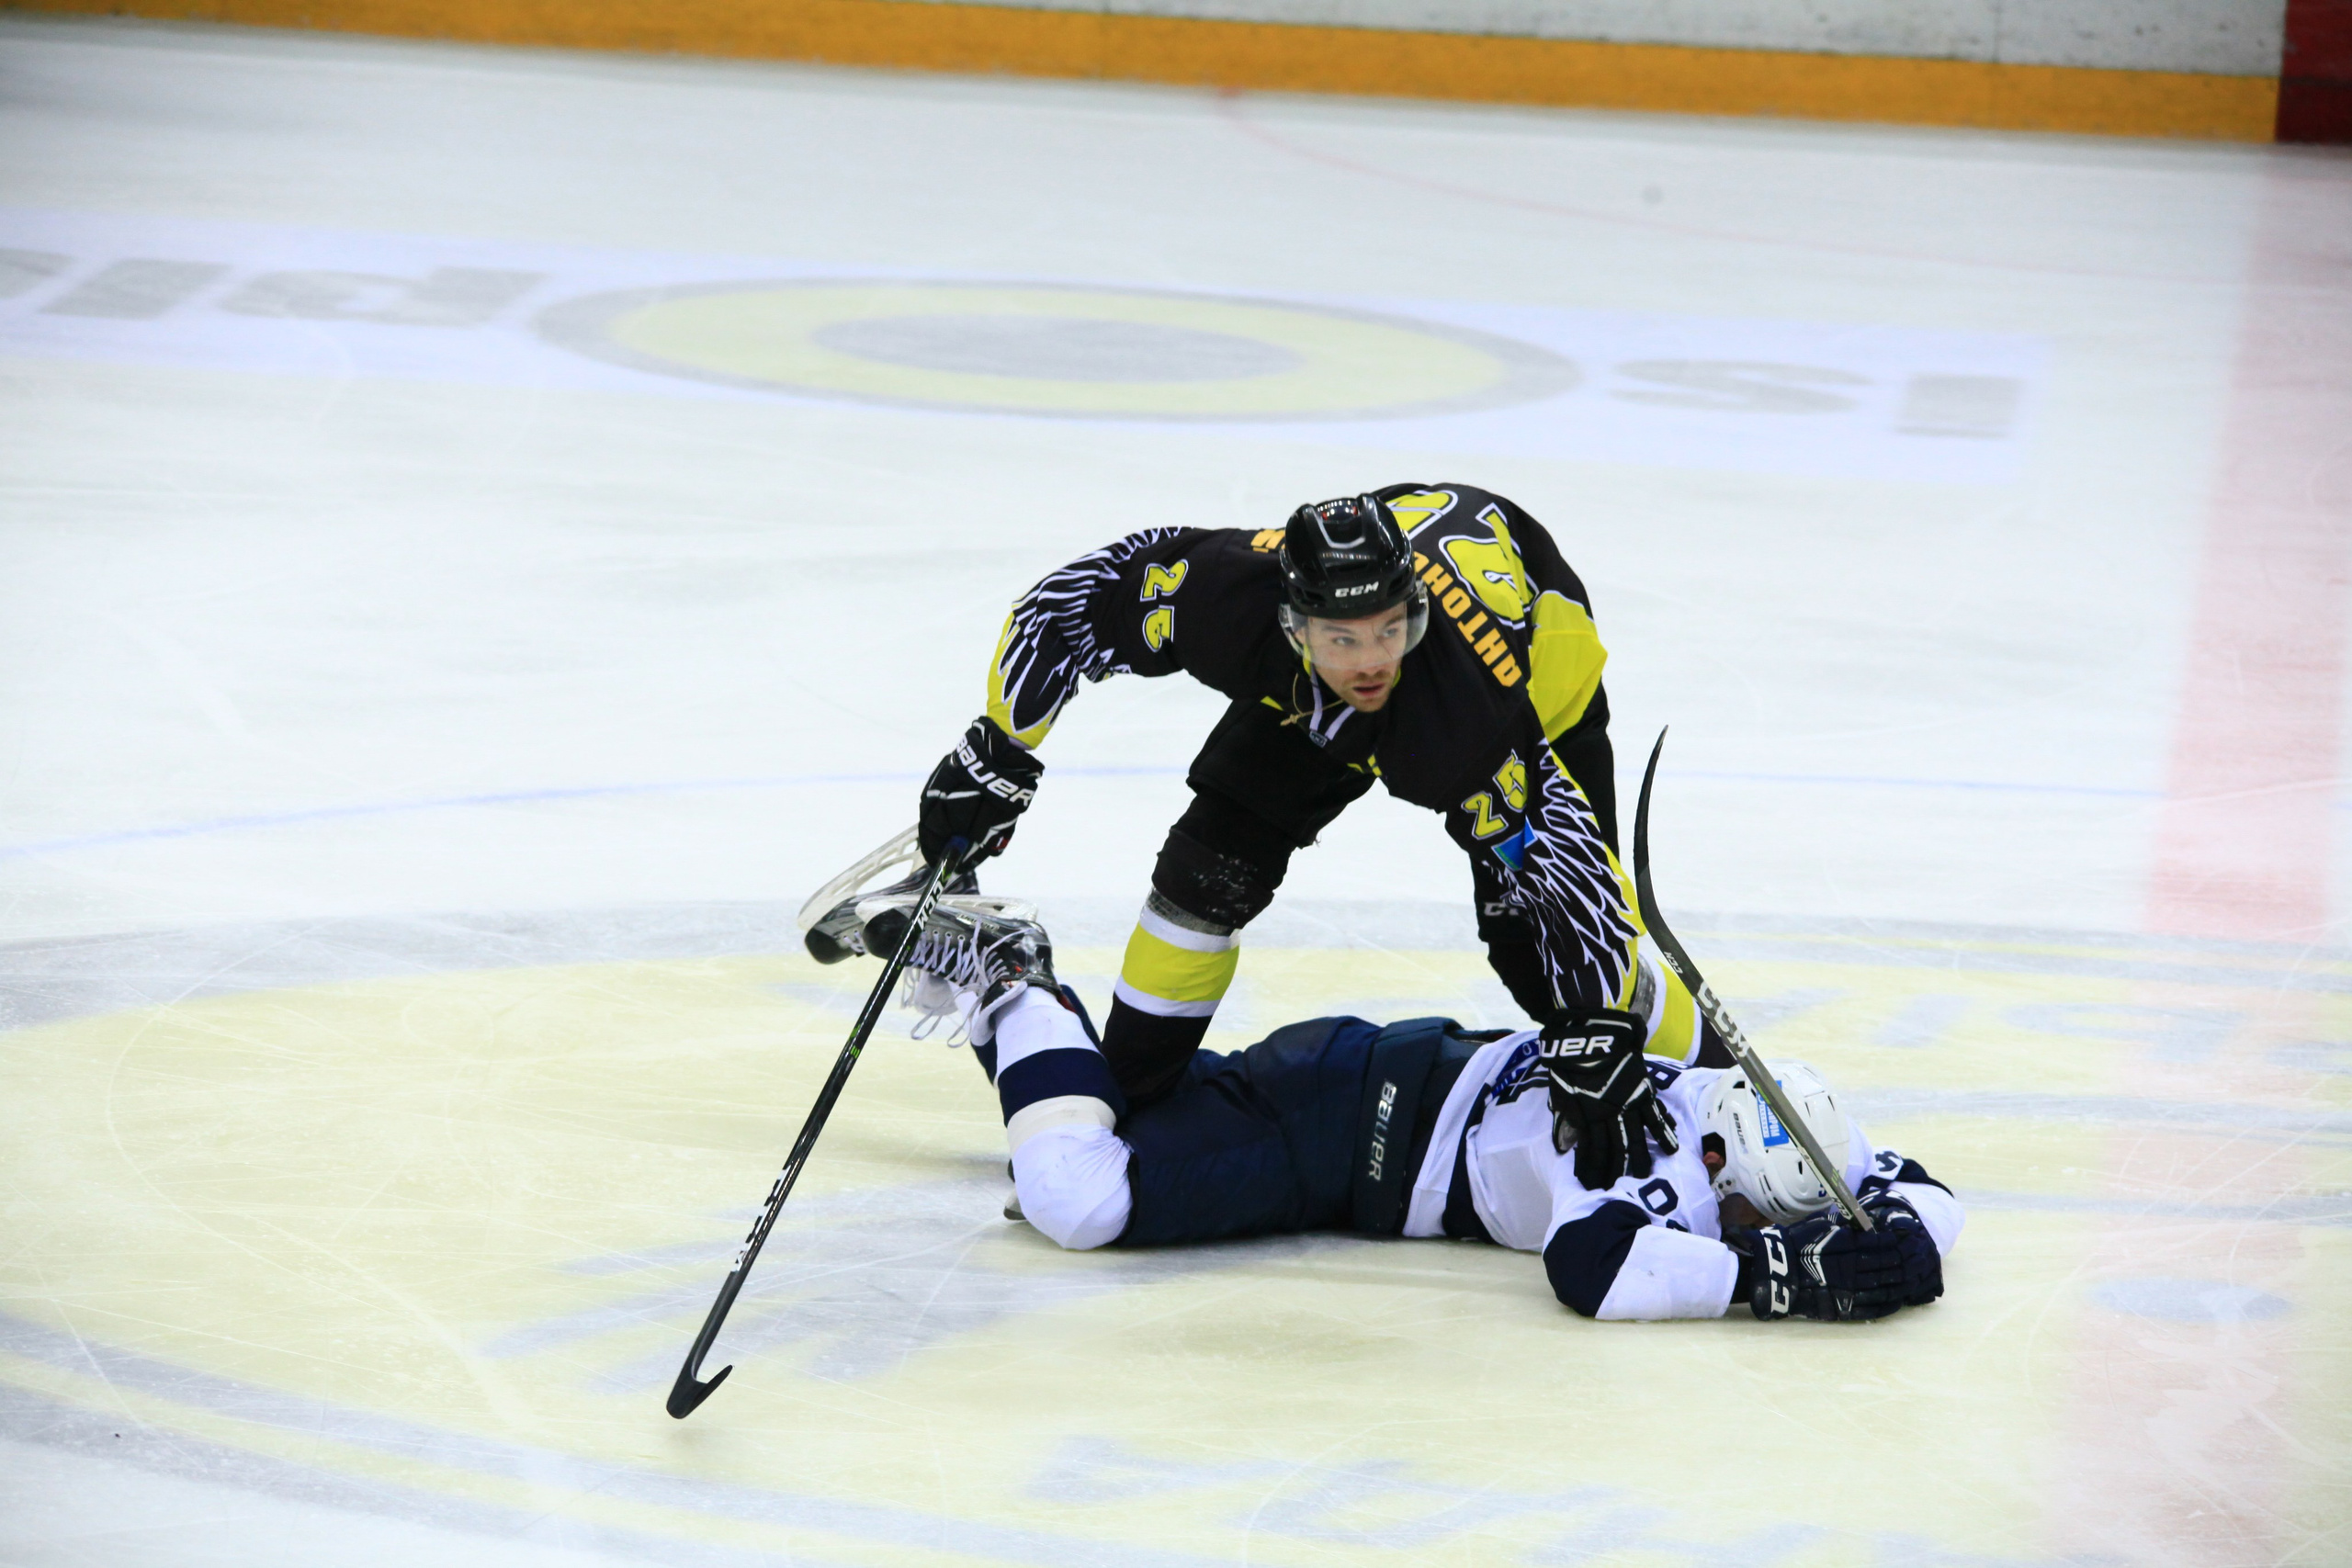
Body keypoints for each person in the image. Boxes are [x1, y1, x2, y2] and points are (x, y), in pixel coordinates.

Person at [874, 483, 1727, 1192]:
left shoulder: (1459, 717)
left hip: (1541, 693)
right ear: (1292, 624)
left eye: (1391, 628)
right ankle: (1129, 1094)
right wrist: (998, 750)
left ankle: (1719, 1089)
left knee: (1536, 951)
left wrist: (1592, 1022)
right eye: (1344, 638)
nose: (1371, 659)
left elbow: (1563, 875)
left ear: (1414, 613)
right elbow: (1074, 608)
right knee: (1208, 868)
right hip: (1326, 695)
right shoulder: (1226, 598)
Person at [871, 899, 1959, 1324]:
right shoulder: (1637, 1156)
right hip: (1343, 1130)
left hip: (1376, 1095)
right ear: (1714, 1158)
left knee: (1087, 1138)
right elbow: (1592, 1271)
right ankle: (1010, 978)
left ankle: (1016, 1023)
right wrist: (1776, 1285)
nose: (1765, 1233)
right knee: (1074, 1196)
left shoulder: (1786, 1124)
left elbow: (1921, 1195)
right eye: (1753, 1225)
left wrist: (1906, 1243)